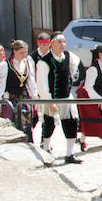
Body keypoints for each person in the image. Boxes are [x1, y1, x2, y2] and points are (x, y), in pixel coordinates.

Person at [36, 32, 82, 164]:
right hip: (52, 98)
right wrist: (49, 101)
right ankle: (45, 150)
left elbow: (74, 65)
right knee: (49, 124)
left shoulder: (69, 56)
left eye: (63, 42)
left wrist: (70, 79)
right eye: (59, 42)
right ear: (51, 44)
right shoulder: (44, 62)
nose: (62, 45)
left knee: (71, 123)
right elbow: (42, 84)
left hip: (66, 97)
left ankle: (69, 153)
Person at [0, 40, 38, 141]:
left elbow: (31, 82)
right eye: (21, 53)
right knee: (12, 125)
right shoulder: (5, 65)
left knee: (27, 125)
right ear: (14, 51)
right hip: (11, 98)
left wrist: (35, 97)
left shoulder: (27, 63)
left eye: (25, 52)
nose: (24, 55)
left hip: (24, 98)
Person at [77, 44, 102, 147]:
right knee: (91, 117)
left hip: (99, 94)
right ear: (100, 54)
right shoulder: (93, 69)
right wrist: (99, 99)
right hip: (86, 94)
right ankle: (82, 139)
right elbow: (88, 87)